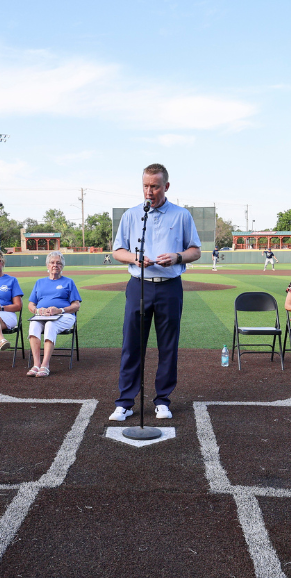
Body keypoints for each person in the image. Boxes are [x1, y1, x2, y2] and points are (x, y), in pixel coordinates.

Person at [109, 163, 201, 421]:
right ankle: (125, 402)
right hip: (138, 286)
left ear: (166, 186)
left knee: (168, 346)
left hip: (170, 287)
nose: (149, 191)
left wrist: (177, 256)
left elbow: (196, 250)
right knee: (132, 346)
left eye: (155, 186)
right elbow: (118, 251)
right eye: (145, 186)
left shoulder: (182, 215)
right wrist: (135, 258)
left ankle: (162, 400)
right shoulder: (131, 215)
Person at [26, 252, 81, 377]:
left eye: (58, 263)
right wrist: (38, 311)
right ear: (47, 265)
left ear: (62, 266)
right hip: (42, 315)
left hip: (63, 316)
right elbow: (30, 304)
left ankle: (45, 365)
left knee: (50, 324)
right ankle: (36, 364)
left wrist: (60, 310)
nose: (55, 265)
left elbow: (76, 305)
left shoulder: (68, 282)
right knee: (34, 324)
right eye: (52, 262)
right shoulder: (39, 282)